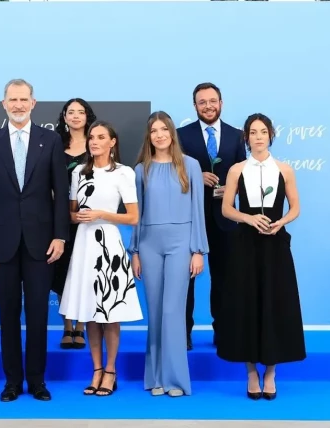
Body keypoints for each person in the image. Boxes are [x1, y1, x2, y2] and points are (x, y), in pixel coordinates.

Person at [0, 79, 70, 402]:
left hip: (41, 243)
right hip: (1, 244)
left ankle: (38, 381)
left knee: (39, 315)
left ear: (33, 103)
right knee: (7, 315)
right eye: (12, 99)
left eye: (23, 99)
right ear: (3, 103)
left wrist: (60, 235)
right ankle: (12, 382)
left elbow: (61, 195)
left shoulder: (51, 140)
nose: (18, 105)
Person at [216, 113, 305, 400]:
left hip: (275, 245)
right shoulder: (237, 170)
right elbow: (227, 208)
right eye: (252, 132)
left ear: (270, 136)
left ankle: (271, 372)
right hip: (245, 245)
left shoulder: (284, 169)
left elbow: (295, 208)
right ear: (246, 137)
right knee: (246, 305)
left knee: (274, 304)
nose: (257, 137)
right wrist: (248, 218)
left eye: (262, 132)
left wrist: (281, 223)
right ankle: (251, 372)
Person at [59, 120, 142, 396]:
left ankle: (110, 371)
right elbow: (70, 214)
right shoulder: (79, 174)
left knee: (109, 313)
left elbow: (133, 217)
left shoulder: (124, 173)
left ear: (112, 142)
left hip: (108, 243)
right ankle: (95, 370)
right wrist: (79, 216)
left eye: (100, 137)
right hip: (83, 244)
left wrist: (101, 214)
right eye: (91, 137)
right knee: (90, 312)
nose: (94, 142)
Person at [129, 111, 208, 397]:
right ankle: (156, 377)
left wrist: (198, 250)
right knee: (156, 312)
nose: (159, 134)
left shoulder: (191, 166)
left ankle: (175, 378)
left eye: (164, 129)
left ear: (172, 133)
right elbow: (136, 216)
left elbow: (198, 210)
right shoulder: (141, 170)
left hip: (181, 244)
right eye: (154, 130)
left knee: (173, 311)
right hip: (149, 244)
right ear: (148, 136)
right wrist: (135, 251)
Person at [177, 82, 245, 350]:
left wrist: (233, 187)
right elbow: (173, 175)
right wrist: (195, 176)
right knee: (185, 278)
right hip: (189, 217)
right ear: (195, 106)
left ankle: (224, 330)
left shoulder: (237, 136)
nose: (208, 106)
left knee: (225, 278)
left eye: (212, 101)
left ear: (221, 103)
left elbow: (244, 173)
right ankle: (183, 333)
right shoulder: (181, 135)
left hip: (226, 219)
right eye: (202, 102)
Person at [52, 98, 97, 350]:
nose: (76, 116)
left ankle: (81, 326)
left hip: (90, 220)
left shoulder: (96, 143)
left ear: (87, 116)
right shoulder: (54, 144)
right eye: (71, 112)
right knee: (64, 272)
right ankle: (67, 326)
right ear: (65, 117)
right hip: (61, 218)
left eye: (81, 112)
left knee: (85, 271)